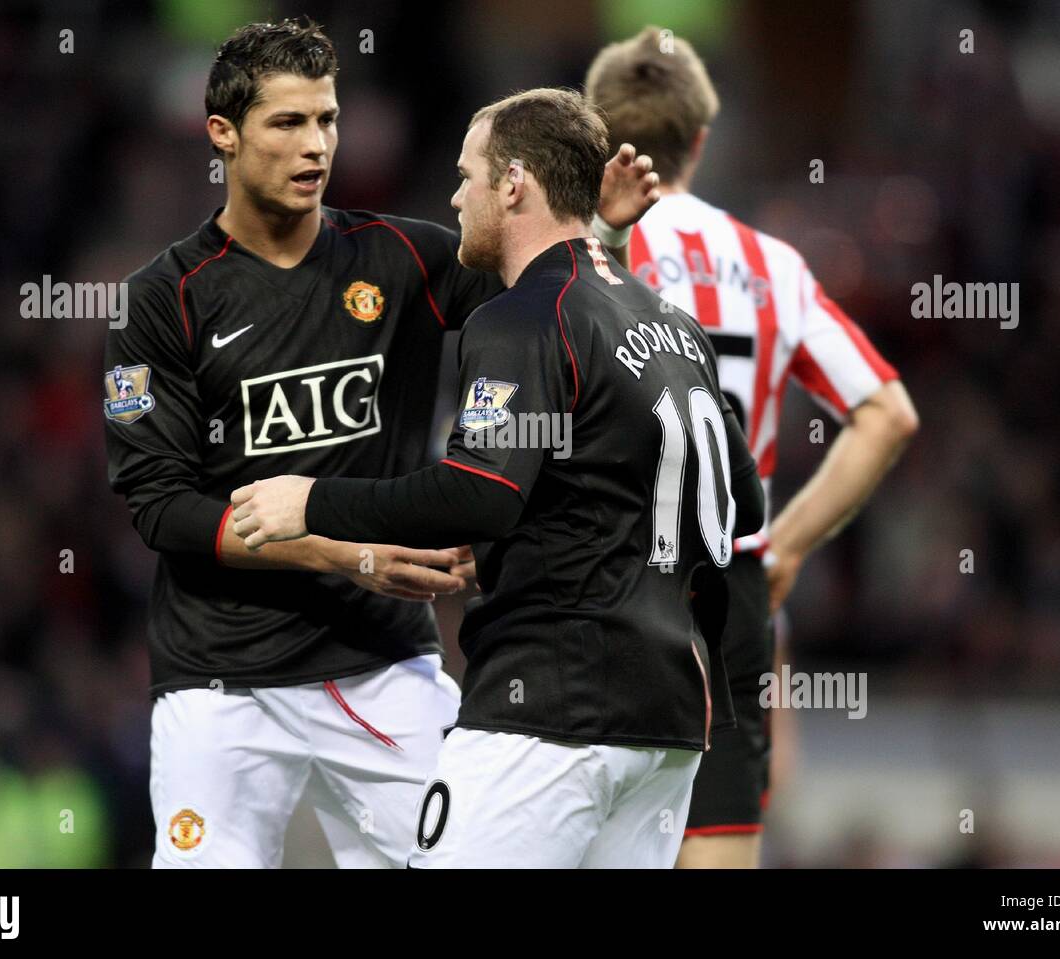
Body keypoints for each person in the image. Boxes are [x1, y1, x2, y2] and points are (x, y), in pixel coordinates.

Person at [104, 18, 657, 868]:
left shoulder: (402, 257)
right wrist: (339, 552)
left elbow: (552, 299)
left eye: (327, 119)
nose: (316, 144)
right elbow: (163, 508)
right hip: (218, 680)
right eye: (287, 123)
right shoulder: (162, 299)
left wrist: (596, 234)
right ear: (222, 133)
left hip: (381, 663)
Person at [229, 87, 766, 868]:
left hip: (549, 710)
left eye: (467, 174)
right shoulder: (673, 323)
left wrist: (310, 501)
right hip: (669, 724)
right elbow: (737, 502)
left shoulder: (519, 318)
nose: (455, 195)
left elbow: (481, 490)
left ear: (513, 183)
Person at [585, 26, 919, 868]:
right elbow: (888, 413)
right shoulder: (772, 264)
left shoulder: (575, 254)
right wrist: (787, 548)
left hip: (595, 583)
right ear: (701, 139)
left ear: (596, 132)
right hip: (727, 590)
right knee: (719, 837)